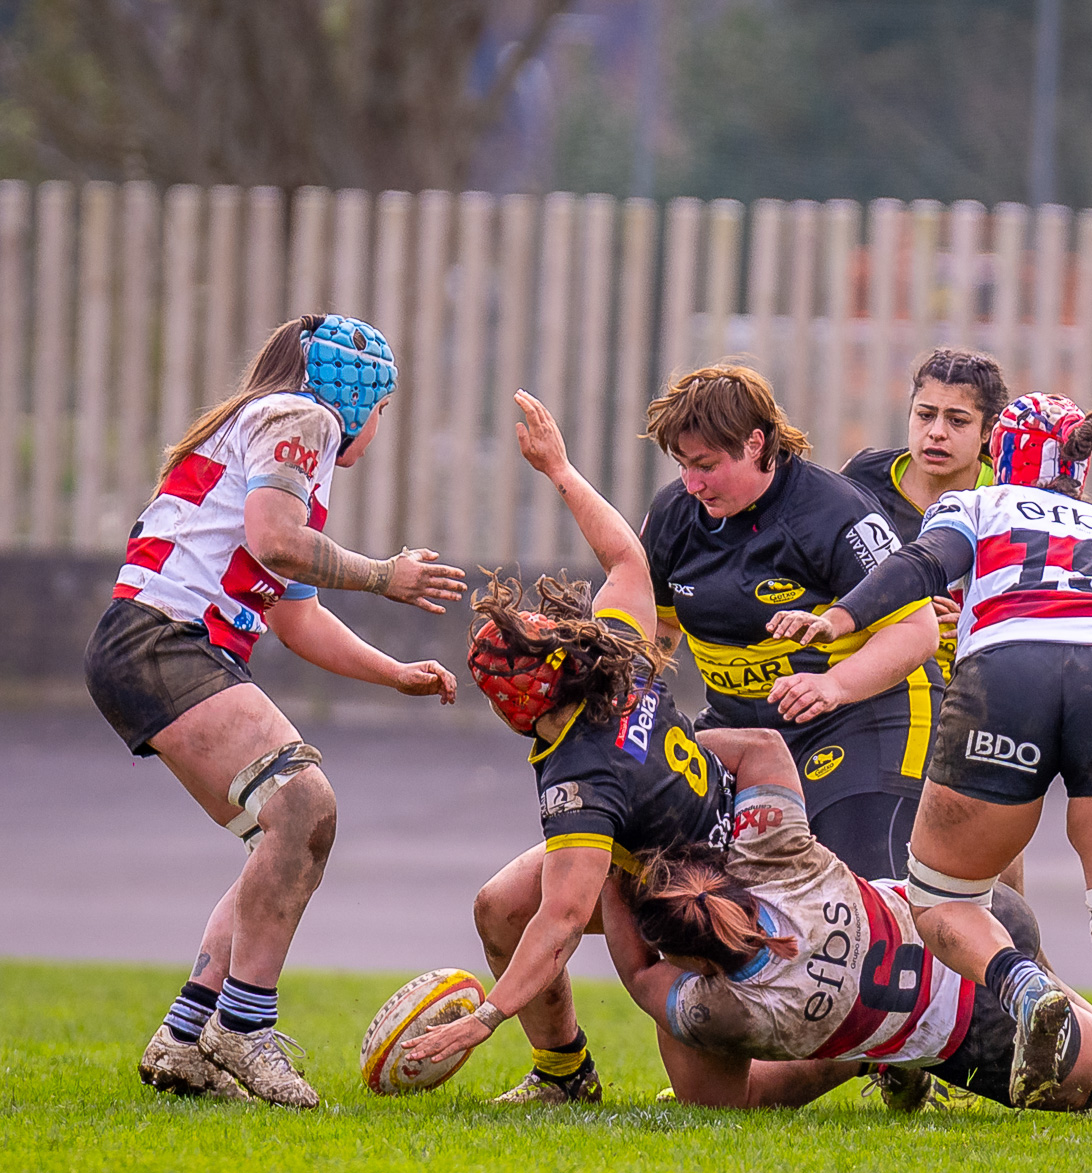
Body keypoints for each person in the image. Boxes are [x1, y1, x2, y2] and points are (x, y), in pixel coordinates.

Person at [768, 392, 1092, 1158]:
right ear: (1080, 463)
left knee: (940, 900)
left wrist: (841, 619)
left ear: (1000, 449)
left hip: (1009, 674)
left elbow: (922, 565)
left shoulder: (980, 504)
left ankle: (1021, 984)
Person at [85, 314, 465, 1108]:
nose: (377, 424)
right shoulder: (304, 419)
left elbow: (294, 613)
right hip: (166, 640)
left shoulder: (270, 435)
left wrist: (395, 674)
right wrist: (385, 574)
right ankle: (244, 1030)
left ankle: (186, 1038)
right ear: (354, 393)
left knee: (280, 834)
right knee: (304, 806)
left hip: (159, 646)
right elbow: (276, 542)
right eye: (383, 406)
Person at [598, 756, 1092, 1122]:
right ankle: (895, 1061)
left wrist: (597, 851)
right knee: (885, 1012)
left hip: (979, 1027)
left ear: (694, 961)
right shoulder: (783, 865)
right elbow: (763, 746)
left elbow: (639, 979)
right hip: (981, 921)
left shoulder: (731, 1011)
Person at [400, 390, 738, 1105]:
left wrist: (484, 1022)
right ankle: (563, 1074)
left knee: (715, 1101)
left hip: (706, 882)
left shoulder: (581, 778)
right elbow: (626, 559)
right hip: (651, 838)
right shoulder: (610, 654)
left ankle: (868, 1059)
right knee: (500, 907)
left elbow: (559, 921)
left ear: (516, 708)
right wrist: (558, 469)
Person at [639, 364, 941, 881]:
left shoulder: (835, 512)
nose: (692, 484)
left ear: (755, 444)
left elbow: (918, 632)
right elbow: (655, 631)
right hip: (746, 727)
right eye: (682, 465)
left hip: (862, 717)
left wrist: (834, 685)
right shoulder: (674, 514)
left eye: (706, 465)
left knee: (860, 890)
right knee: (674, 883)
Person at [840, 346, 1006, 681]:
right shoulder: (863, 476)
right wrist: (905, 609)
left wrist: (977, 622)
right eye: (925, 415)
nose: (937, 432)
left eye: (957, 420)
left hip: (970, 684)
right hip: (870, 680)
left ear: (988, 430)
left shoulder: (1007, 499)